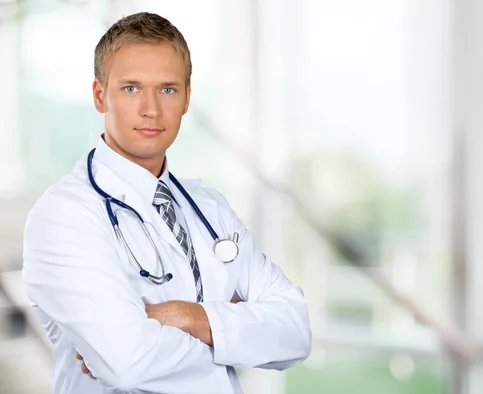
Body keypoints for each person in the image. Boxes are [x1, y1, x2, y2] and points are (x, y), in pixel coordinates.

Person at [22, 11, 311, 394]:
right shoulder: (64, 216)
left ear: (187, 98)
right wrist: (236, 336)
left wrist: (188, 316)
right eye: (130, 88)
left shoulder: (211, 211)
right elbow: (131, 364)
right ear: (99, 95)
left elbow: (295, 330)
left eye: (168, 89)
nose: (151, 109)